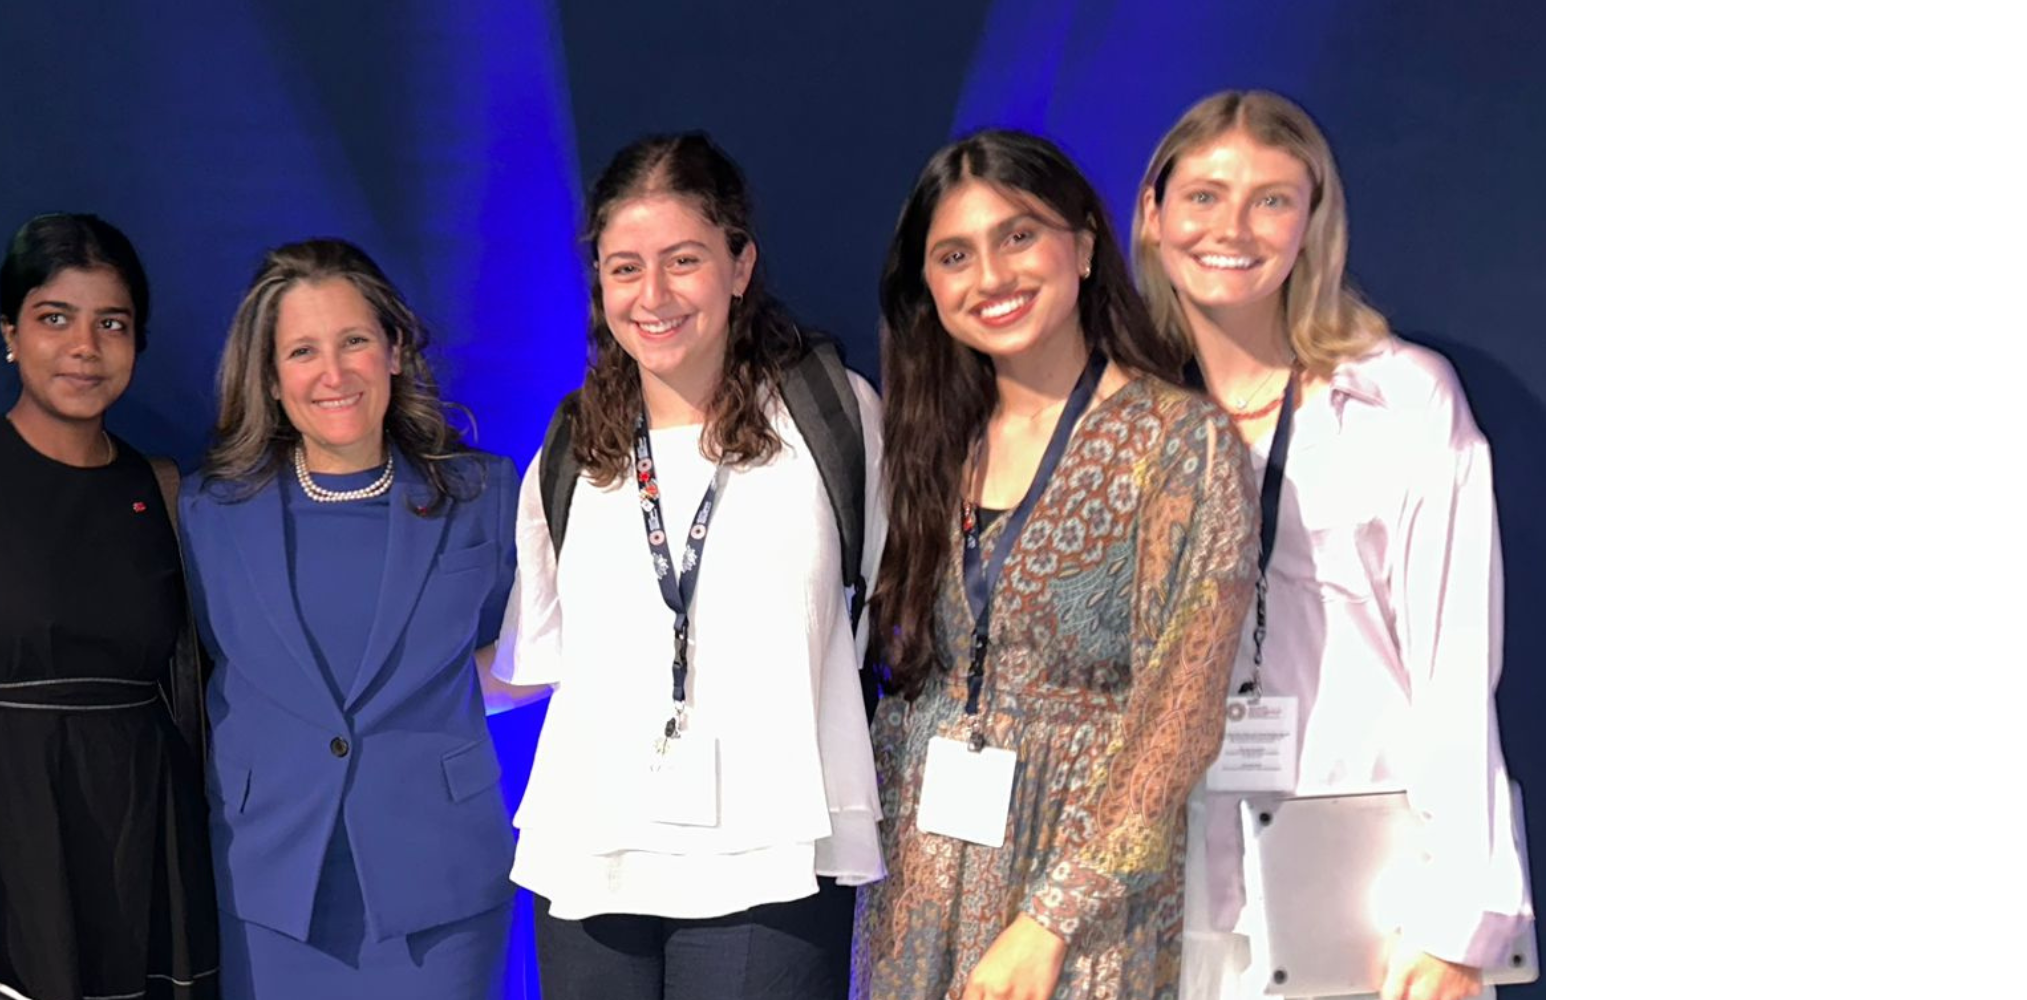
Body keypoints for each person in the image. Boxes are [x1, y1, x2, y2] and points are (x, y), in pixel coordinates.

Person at [1129, 91, 1532, 1000]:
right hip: (1160, 901)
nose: (1233, 226)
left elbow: (1456, 671)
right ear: (1152, 217)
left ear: (1312, 223)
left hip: (1361, 906)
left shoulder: (1404, 400)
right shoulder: (1120, 417)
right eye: (1204, 195)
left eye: (1272, 198)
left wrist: (1457, 922)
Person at [854, 126, 1261, 1000]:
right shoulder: (932, 443)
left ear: (1081, 244)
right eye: (955, 254)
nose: (991, 276)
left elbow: (1178, 718)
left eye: (1018, 236)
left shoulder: (1177, 443)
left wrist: (1050, 922)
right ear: (927, 286)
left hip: (1080, 904)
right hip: (917, 883)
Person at [495, 131, 886, 1000]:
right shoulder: (573, 446)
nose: (654, 295)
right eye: (624, 267)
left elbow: (900, 603)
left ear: (740, 265)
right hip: (595, 850)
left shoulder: (831, 414)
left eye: (684, 260)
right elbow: (533, 656)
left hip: (775, 849)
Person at [0, 212, 219, 1000]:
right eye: (54, 318)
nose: (84, 348)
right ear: (11, 333)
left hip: (143, 849)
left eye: (112, 323)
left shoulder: (158, 490)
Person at [177, 238, 522, 999]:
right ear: (270, 376)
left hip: (445, 890)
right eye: (302, 351)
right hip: (270, 888)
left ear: (394, 350)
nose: (332, 374)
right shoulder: (205, 513)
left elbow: (540, 652)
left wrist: (452, 698)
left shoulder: (486, 495)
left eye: (355, 341)